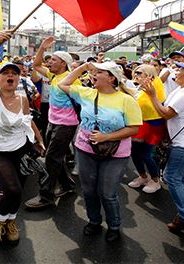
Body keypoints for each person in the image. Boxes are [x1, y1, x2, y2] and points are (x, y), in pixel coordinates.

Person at [58, 61, 141, 242]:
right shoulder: (86, 93)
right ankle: (94, 221)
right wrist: (83, 68)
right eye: (93, 72)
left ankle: (114, 225)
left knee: (107, 192)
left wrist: (106, 137)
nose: (93, 75)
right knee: (88, 190)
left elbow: (134, 129)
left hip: (116, 153)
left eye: (99, 72)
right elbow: (62, 84)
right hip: (85, 149)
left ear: (112, 78)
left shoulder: (126, 100)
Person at [0, 31, 44, 246]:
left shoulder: (23, 98)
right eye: (5, 73)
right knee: (12, 189)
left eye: (14, 73)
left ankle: (10, 222)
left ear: (19, 78)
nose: (11, 76)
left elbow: (27, 122)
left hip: (21, 150)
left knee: (19, 191)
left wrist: (38, 139)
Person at [142, 62, 184, 232]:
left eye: (180, 69)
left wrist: (152, 96)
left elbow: (166, 113)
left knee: (172, 177)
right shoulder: (183, 89)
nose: (176, 71)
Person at [26, 37, 80, 210]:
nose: (49, 62)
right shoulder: (53, 75)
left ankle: (46, 196)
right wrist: (42, 47)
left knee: (51, 158)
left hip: (66, 125)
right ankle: (68, 185)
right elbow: (35, 65)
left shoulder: (71, 80)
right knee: (56, 156)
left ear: (64, 63)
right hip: (53, 122)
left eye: (53, 60)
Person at [127, 64, 166, 193]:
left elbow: (153, 104)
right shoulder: (140, 86)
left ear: (149, 75)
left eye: (139, 73)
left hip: (153, 125)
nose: (136, 75)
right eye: (136, 72)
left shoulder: (155, 85)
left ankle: (155, 181)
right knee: (134, 153)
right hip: (140, 123)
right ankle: (143, 176)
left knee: (146, 155)